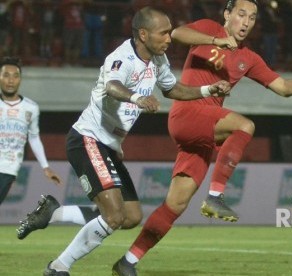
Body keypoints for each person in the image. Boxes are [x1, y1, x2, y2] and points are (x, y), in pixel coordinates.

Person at [112, 0, 292, 275]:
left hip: (204, 131)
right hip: (187, 114)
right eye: (241, 14)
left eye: (251, 17)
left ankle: (127, 262)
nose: (246, 22)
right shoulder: (208, 28)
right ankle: (215, 196)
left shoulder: (249, 57)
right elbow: (177, 34)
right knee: (244, 126)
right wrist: (218, 40)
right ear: (227, 15)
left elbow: (284, 87)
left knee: (175, 205)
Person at [33, 7, 230, 275]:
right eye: (163, 33)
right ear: (143, 34)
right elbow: (112, 86)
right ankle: (58, 268)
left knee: (131, 217)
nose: (169, 38)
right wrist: (137, 98)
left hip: (109, 146)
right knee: (114, 216)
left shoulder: (157, 59)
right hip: (88, 139)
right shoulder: (121, 58)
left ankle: (53, 214)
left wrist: (208, 89)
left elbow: (173, 89)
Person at [0, 56, 62, 206]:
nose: (10, 80)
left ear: (20, 79)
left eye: (15, 76)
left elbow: (34, 138)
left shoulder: (31, 108)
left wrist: (45, 167)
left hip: (9, 167)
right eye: (6, 75)